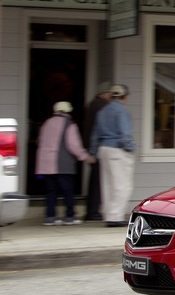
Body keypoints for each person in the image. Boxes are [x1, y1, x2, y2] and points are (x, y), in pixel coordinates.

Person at [36, 101, 96, 226]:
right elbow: (73, 145)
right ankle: (70, 216)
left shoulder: (46, 123)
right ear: (68, 111)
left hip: (45, 164)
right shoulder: (69, 124)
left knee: (50, 191)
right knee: (67, 191)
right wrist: (86, 157)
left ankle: (50, 217)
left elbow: (40, 141)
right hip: (62, 164)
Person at [89, 83, 136, 227]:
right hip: (117, 149)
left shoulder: (102, 111)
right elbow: (125, 133)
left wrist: (93, 151)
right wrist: (130, 148)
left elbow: (95, 135)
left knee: (107, 184)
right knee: (122, 185)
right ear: (124, 96)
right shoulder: (121, 111)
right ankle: (116, 216)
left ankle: (109, 215)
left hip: (103, 149)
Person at [80, 81, 113, 221]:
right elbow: (100, 130)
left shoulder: (91, 105)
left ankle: (91, 210)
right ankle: (93, 211)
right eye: (110, 93)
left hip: (91, 146)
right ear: (105, 93)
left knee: (94, 180)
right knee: (98, 181)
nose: (111, 96)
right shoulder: (103, 106)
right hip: (99, 148)